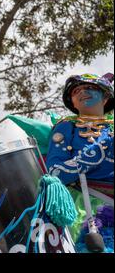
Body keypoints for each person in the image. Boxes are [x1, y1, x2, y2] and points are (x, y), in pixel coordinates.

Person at [46, 73, 114, 253]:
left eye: (90, 88)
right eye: (76, 91)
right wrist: (96, 152)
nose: (82, 92)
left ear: (106, 97)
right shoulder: (67, 126)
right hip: (86, 208)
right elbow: (54, 174)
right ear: (73, 102)